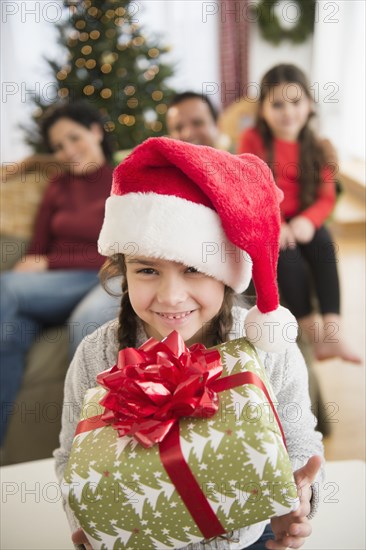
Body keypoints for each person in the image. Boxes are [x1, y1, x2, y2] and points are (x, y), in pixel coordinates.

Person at [54, 137, 324, 550]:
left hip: (251, 536)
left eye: (194, 269)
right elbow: (69, 458)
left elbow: (301, 440)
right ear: (123, 272)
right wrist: (89, 521)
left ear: (227, 271)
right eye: (147, 270)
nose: (171, 296)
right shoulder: (96, 355)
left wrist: (300, 497)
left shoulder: (269, 349)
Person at [0, 102, 120, 445]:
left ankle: (87, 443)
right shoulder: (57, 184)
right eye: (58, 146)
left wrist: (50, 264)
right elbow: (39, 246)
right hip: (57, 285)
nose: (68, 151)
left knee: (82, 320)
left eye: (74, 138)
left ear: (96, 131)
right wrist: (37, 262)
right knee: (9, 328)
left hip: (104, 277)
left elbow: (117, 252)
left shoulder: (122, 179)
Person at [237, 64, 361, 364]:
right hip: (267, 220)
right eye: (277, 104)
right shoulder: (252, 140)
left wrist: (308, 221)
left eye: (295, 102)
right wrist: (278, 224)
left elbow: (326, 198)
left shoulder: (320, 147)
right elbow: (253, 190)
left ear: (309, 104)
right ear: (263, 109)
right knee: (286, 255)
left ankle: (333, 333)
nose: (287, 112)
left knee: (324, 241)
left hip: (303, 220)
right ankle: (313, 334)